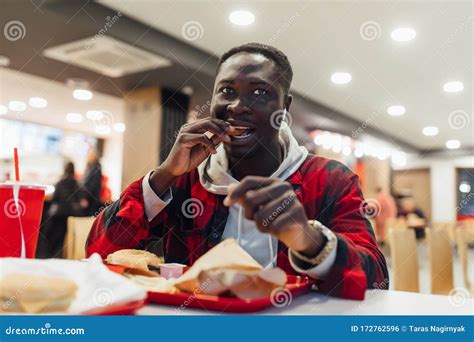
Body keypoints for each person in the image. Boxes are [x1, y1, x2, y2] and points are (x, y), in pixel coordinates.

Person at [87, 43, 388, 299]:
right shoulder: (185, 179)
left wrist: (308, 239)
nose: (237, 105)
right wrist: (164, 174)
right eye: (227, 90)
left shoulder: (329, 178)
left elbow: (376, 279)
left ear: (285, 107)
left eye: (259, 93)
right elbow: (98, 252)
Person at [38, 162, 81, 258]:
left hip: (59, 214)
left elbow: (55, 197)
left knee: (51, 235)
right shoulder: (77, 183)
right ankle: (62, 255)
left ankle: (50, 255)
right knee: (65, 238)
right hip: (72, 215)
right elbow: (80, 199)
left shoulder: (60, 182)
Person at [81, 148, 102, 216]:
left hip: (90, 200)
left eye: (90, 155)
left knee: (88, 218)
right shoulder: (93, 167)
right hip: (92, 199)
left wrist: (84, 197)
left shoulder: (94, 168)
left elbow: (91, 185)